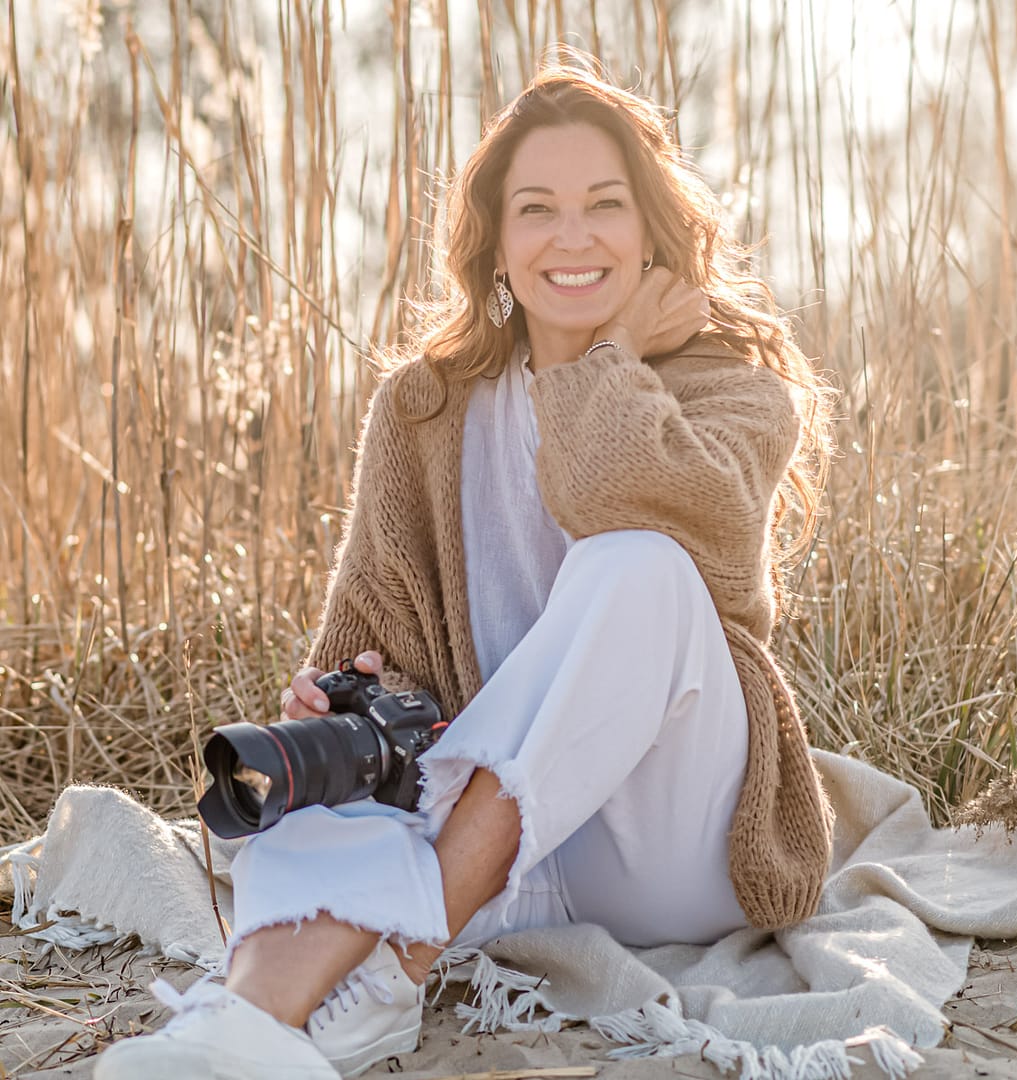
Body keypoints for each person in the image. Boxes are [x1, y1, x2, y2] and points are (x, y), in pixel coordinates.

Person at [95, 58, 835, 1080]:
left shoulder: (737, 391)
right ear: (494, 242)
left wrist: (606, 347)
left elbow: (611, 493)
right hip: (504, 854)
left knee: (640, 568)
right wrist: (342, 696)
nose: (572, 237)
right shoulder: (425, 411)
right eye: (538, 209)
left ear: (654, 231)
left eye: (604, 206)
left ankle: (402, 955)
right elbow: (377, 634)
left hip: (670, 846)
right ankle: (236, 1031)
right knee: (321, 774)